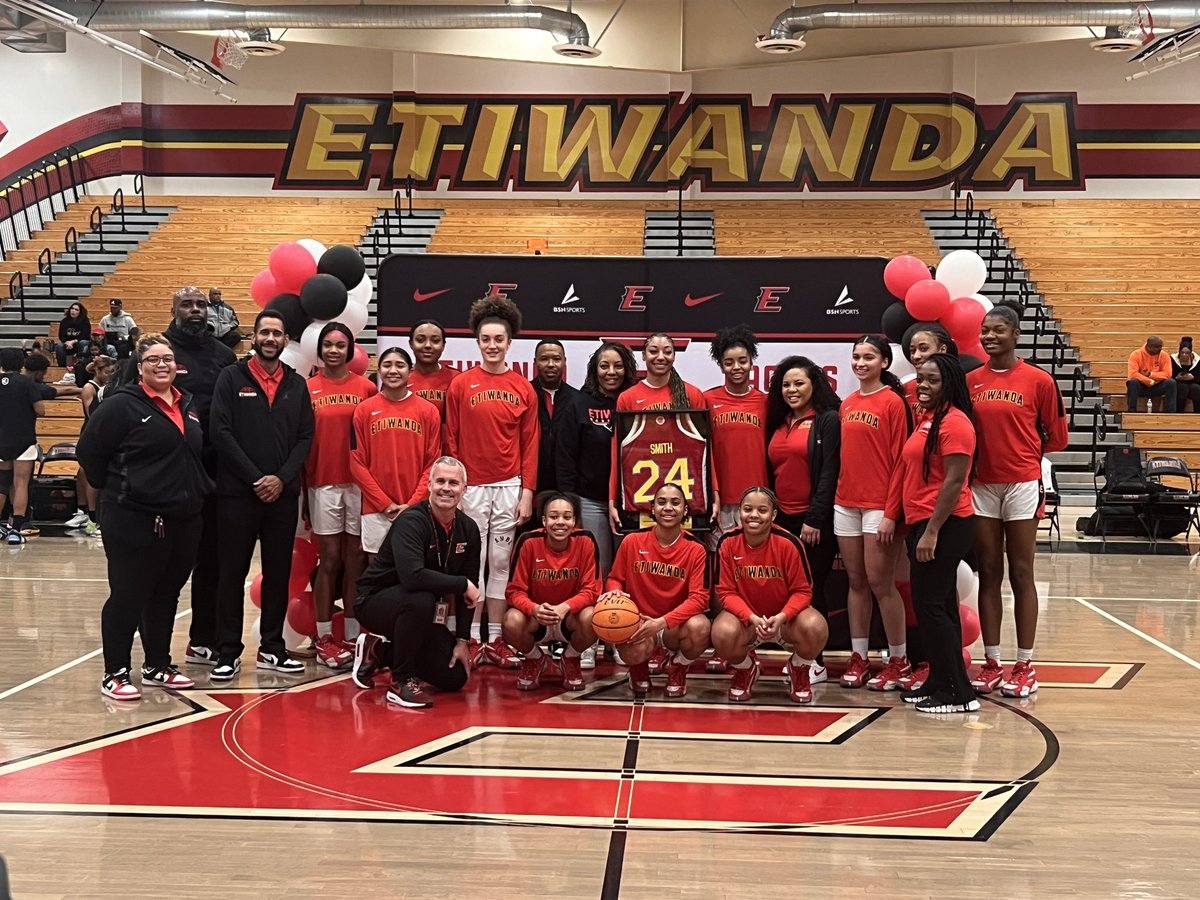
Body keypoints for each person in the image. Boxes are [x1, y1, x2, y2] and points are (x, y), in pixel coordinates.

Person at [76, 333, 214, 700]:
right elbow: (89, 452)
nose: (162, 364)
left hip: (184, 516)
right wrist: (123, 488)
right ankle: (115, 671)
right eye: (153, 359)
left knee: (167, 593)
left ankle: (157, 665)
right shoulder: (121, 405)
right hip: (132, 516)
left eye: (167, 358)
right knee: (128, 594)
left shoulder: (188, 404)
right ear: (139, 368)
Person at [209, 310, 315, 681]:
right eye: (264, 332)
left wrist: (281, 479)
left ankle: (272, 647)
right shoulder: (230, 377)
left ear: (286, 340)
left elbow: (305, 438)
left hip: (282, 496)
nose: (271, 338)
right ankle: (227, 652)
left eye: (277, 333)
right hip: (238, 494)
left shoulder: (296, 384)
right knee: (231, 574)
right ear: (254, 337)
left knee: (278, 573)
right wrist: (257, 478)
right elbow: (220, 432)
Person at [971, 304, 1068, 698]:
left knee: (1022, 572)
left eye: (997, 330)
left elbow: (1058, 437)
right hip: (981, 485)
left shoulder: (1039, 381)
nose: (989, 336)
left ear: (1015, 334)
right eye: (984, 330)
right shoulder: (970, 380)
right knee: (989, 572)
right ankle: (992, 661)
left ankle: (1025, 663)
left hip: (1022, 484)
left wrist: (1025, 453)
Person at [445, 296, 539, 668]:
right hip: (471, 489)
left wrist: (527, 492)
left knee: (500, 563)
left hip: (508, 486)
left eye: (499, 339)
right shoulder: (461, 385)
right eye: (486, 339)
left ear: (509, 342)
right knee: (471, 563)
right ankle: (466, 637)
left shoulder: (523, 388)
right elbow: (450, 440)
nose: (492, 345)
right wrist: (456, 488)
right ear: (477, 341)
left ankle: (495, 640)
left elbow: (531, 444)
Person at [883, 354, 980, 713]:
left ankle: (957, 694)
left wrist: (932, 532)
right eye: (920, 380)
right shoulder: (929, 419)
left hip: (945, 524)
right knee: (938, 608)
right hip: (924, 522)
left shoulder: (956, 423)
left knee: (932, 608)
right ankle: (944, 680)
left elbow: (955, 481)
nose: (923, 386)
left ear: (950, 384)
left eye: (932, 381)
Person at [352, 457, 482, 709]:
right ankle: (400, 682)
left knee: (454, 677)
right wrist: (462, 584)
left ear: (464, 489)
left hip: (421, 609)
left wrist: (463, 640)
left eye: (453, 483)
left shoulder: (468, 529)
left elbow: (470, 590)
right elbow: (413, 577)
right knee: (421, 598)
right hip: (375, 602)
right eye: (440, 481)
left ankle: (378, 651)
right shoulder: (411, 521)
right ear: (430, 485)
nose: (446, 488)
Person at [162, 286, 238, 669]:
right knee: (169, 562)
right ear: (174, 309)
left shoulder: (224, 355)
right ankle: (155, 652)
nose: (195, 310)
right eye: (187, 305)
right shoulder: (158, 352)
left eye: (201, 305)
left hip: (213, 474)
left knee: (212, 560)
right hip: (168, 476)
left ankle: (202, 639)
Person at [835, 335, 913, 691]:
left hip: (879, 506)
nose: (860, 363)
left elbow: (902, 462)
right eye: (856, 357)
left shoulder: (894, 403)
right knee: (856, 582)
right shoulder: (847, 403)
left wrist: (891, 513)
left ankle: (898, 659)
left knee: (882, 583)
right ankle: (859, 656)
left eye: (869, 357)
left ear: (884, 362)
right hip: (845, 503)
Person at [304, 322, 377, 668]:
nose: (334, 350)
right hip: (323, 482)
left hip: (359, 485)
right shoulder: (308, 388)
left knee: (356, 561)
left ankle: (351, 634)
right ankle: (323, 636)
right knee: (329, 560)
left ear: (350, 350)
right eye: (328, 345)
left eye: (340, 345)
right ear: (320, 349)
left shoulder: (366, 388)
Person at [764, 356, 840, 687]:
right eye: (786, 384)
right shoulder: (778, 423)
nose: (792, 390)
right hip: (783, 521)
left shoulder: (827, 421)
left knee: (811, 590)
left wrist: (815, 518)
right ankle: (799, 657)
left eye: (799, 383)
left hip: (813, 523)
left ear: (815, 385)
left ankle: (815, 662)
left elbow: (829, 473)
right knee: (787, 592)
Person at [712, 487, 827, 704]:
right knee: (721, 631)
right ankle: (746, 669)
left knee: (816, 626)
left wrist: (782, 616)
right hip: (748, 622)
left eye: (762, 510)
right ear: (739, 512)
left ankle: (799, 668)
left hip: (784, 622)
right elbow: (726, 593)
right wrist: (751, 617)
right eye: (748, 509)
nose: (754, 515)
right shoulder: (727, 542)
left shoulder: (789, 543)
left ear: (773, 514)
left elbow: (803, 592)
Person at [605, 483, 710, 698]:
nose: (668, 507)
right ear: (652, 509)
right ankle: (638, 666)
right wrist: (614, 592)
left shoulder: (696, 549)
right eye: (661, 502)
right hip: (639, 622)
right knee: (618, 626)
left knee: (700, 627)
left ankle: (678, 665)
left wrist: (662, 622)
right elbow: (615, 578)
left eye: (675, 502)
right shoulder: (632, 541)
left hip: (673, 625)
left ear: (685, 510)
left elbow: (699, 599)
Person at [609, 332, 713, 535]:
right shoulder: (628, 398)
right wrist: (613, 501)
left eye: (667, 351)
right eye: (653, 351)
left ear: (674, 356)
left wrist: (713, 497)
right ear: (643, 355)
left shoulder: (692, 395)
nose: (660, 357)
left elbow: (708, 455)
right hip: (641, 506)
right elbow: (616, 456)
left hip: (686, 505)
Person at [350, 346, 441, 559]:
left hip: (417, 508)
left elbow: (432, 463)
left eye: (400, 365)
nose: (393, 370)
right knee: (377, 573)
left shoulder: (428, 411)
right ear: (379, 370)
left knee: (415, 571)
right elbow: (356, 463)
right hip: (377, 509)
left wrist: (411, 505)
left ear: (410, 371)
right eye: (387, 365)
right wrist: (384, 504)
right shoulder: (363, 410)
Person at [556, 341, 638, 579]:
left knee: (629, 570)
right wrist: (570, 501)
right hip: (590, 501)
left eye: (618, 366)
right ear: (594, 369)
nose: (611, 372)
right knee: (598, 567)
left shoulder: (636, 401)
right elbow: (565, 456)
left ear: (627, 369)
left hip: (629, 504)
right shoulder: (579, 403)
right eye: (604, 366)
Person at [503, 493, 600, 691]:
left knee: (594, 617)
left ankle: (571, 658)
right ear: (544, 521)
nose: (560, 522)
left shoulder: (586, 541)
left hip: (569, 618)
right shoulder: (528, 541)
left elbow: (592, 590)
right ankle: (535, 659)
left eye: (567, 517)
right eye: (554, 516)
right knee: (511, 621)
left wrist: (566, 607)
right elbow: (514, 591)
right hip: (537, 618)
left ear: (574, 521)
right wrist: (534, 609)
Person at [704, 325, 768, 537]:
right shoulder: (708, 401)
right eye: (729, 362)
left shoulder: (765, 402)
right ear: (721, 366)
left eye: (742, 361)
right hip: (719, 499)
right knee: (721, 561)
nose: (736, 367)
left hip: (756, 499)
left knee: (753, 561)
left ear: (751, 362)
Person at [0, 347, 46, 545]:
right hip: (24, 439)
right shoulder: (27, 382)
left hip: (1, 439)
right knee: (20, 483)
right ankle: (16, 530)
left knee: (1, 484)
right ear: (21, 364)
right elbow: (40, 410)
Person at [66, 354, 116, 535]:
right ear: (97, 371)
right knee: (88, 474)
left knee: (84, 473)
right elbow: (92, 415)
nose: (110, 376)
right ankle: (91, 517)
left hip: (97, 431)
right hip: (90, 431)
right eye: (107, 372)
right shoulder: (89, 387)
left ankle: (85, 512)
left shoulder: (105, 387)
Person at [530, 339, 578, 493]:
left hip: (567, 487)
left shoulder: (577, 399)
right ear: (535, 362)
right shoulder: (524, 394)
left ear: (564, 362)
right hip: (530, 487)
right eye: (544, 359)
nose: (551, 364)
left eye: (556, 359)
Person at [902, 323, 957, 418]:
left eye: (923, 349)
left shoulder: (959, 387)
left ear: (942, 349)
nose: (916, 356)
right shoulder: (905, 389)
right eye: (912, 350)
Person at [407, 319, 456, 418]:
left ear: (443, 345)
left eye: (435, 341)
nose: (428, 345)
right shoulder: (400, 379)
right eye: (420, 340)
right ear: (411, 344)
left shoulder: (456, 379)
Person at [1126, 335, 1176, 413]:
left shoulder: (1164, 355)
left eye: (1160, 346)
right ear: (1149, 346)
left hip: (1157, 385)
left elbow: (1168, 374)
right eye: (1157, 347)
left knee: (1171, 382)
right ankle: (1131, 411)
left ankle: (1171, 412)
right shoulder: (1136, 354)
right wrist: (1149, 381)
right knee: (1132, 383)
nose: (1160, 349)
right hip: (1142, 386)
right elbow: (1132, 374)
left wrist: (1151, 374)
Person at [55, 302, 91, 370]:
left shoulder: (85, 321)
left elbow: (86, 335)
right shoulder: (64, 321)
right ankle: (62, 367)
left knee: (83, 343)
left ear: (80, 312)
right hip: (68, 344)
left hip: (79, 342)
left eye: (76, 310)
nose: (73, 311)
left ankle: (81, 364)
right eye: (72, 308)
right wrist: (67, 342)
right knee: (59, 346)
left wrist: (73, 341)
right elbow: (61, 336)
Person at [1172, 340, 1200, 413]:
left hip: (1193, 384)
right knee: (1183, 387)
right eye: (1182, 352)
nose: (1184, 355)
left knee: (1196, 388)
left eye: (1187, 353)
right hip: (1178, 384)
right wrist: (1176, 378)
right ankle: (1179, 413)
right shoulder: (1173, 359)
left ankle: (1197, 414)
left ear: (1191, 352)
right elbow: (1169, 375)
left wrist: (1193, 377)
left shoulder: (1197, 361)